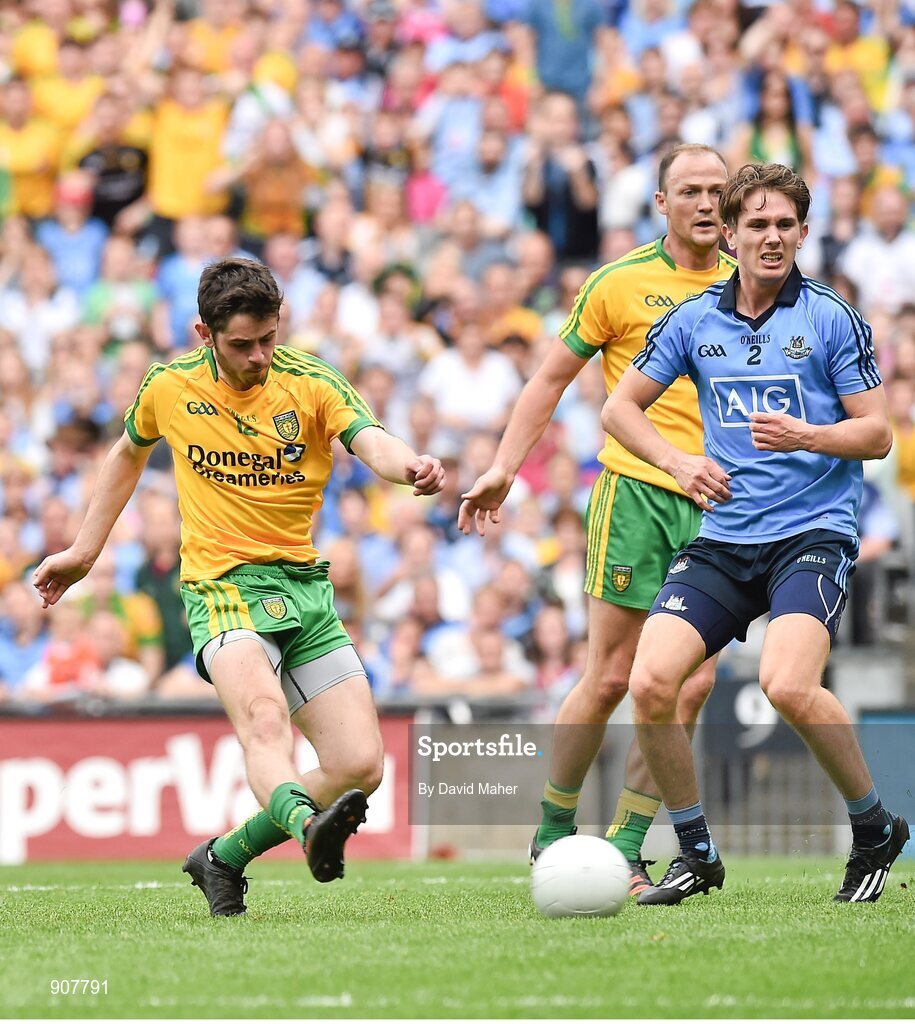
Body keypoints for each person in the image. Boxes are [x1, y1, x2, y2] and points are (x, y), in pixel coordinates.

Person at [33, 258, 445, 916]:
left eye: (268, 340)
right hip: (221, 587)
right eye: (241, 345)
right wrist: (85, 551)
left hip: (304, 590)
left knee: (361, 765)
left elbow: (369, 438)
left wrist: (411, 467)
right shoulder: (169, 387)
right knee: (263, 722)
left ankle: (221, 856)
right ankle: (308, 828)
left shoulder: (308, 381)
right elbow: (126, 454)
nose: (258, 357)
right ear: (204, 333)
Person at [602, 162, 908, 905]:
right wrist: (678, 462)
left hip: (811, 532)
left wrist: (808, 433)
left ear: (802, 233)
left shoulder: (830, 317)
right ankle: (697, 852)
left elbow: (877, 436)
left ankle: (872, 826)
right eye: (756, 225)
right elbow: (618, 411)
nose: (771, 238)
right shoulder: (693, 320)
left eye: (784, 225)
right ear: (729, 236)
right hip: (725, 535)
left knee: (786, 684)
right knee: (648, 683)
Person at [458, 143, 736, 895]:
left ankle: (624, 844)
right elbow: (549, 379)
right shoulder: (617, 283)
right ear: (660, 203)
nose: (705, 203)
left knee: (687, 686)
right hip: (636, 495)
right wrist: (503, 468)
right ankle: (551, 829)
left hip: (722, 506)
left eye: (716, 190)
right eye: (689, 191)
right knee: (611, 675)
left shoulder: (759, 286)